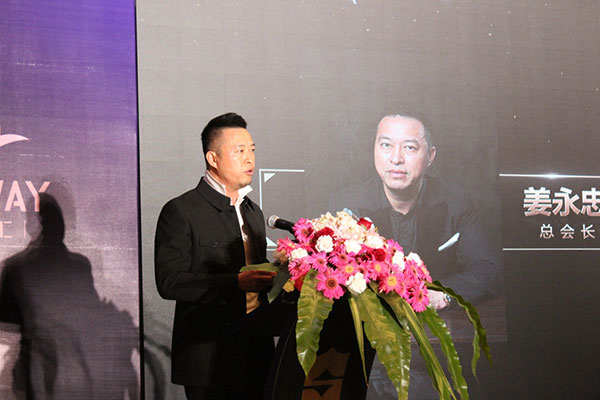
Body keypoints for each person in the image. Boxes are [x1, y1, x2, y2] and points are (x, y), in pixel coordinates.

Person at [330, 113, 504, 399]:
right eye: (386, 145)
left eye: (409, 147)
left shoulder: (455, 201)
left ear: (430, 156)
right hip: (370, 356)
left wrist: (443, 295)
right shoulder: (347, 204)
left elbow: (489, 268)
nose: (396, 158)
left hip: (434, 351)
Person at [154, 112, 277, 400]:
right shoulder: (181, 210)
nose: (250, 159)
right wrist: (235, 283)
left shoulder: (253, 212)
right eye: (240, 151)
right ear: (213, 158)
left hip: (257, 354)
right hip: (209, 360)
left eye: (252, 150)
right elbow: (169, 281)